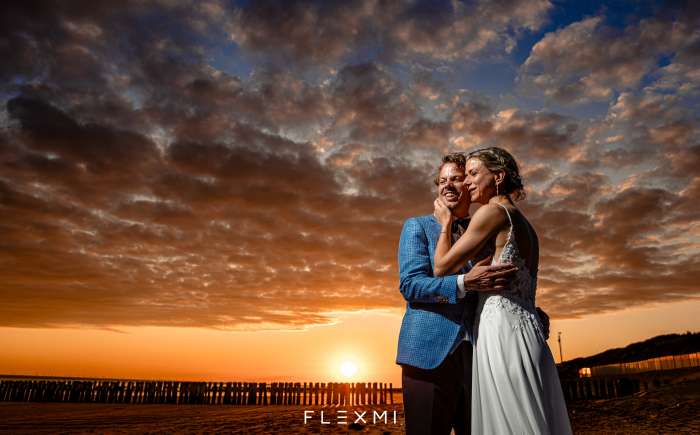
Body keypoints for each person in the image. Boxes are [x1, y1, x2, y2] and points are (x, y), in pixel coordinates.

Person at [396, 152, 550, 435]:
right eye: (442, 181)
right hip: (430, 353)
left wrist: (531, 310)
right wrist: (463, 282)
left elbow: (505, 279)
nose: (448, 186)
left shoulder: (489, 226)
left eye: (457, 178)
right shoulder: (416, 226)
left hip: (483, 355)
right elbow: (411, 286)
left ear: (469, 183)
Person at [433, 147, 571, 435]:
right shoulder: (524, 223)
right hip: (527, 327)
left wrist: (445, 223)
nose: (467, 182)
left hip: (501, 331)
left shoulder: (492, 212)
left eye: (473, 173)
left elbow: (442, 268)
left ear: (498, 176)